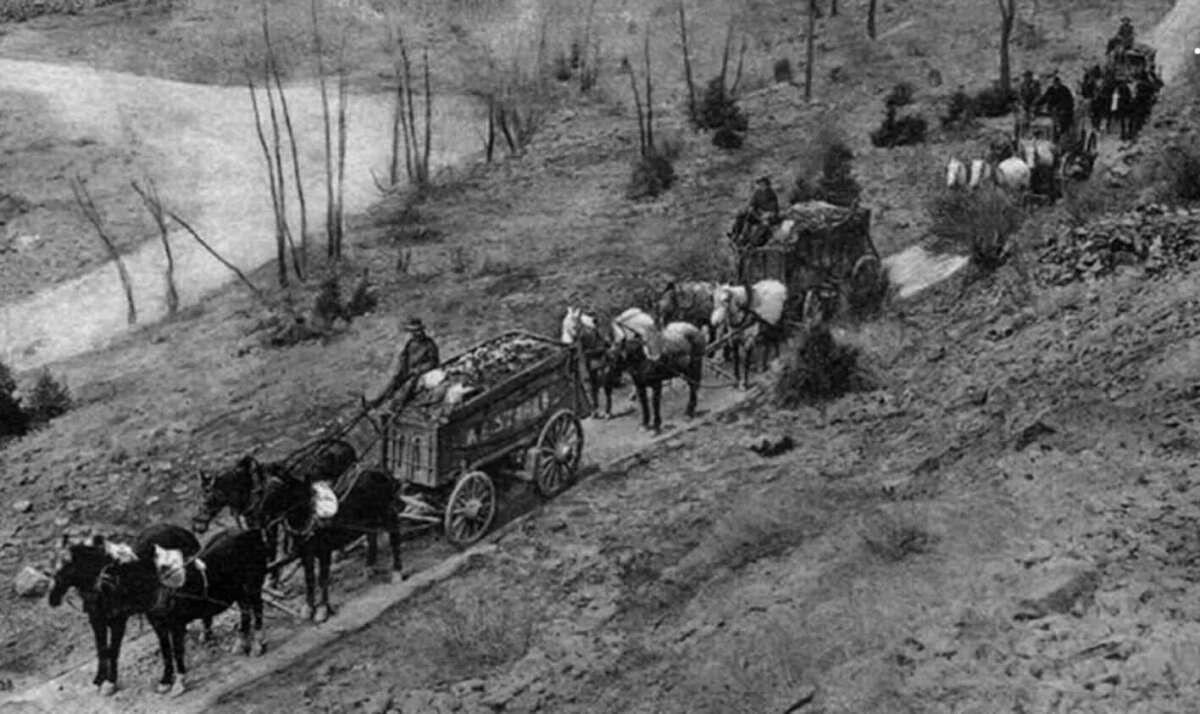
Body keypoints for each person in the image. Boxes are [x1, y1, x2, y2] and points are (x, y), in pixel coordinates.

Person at [367, 317, 440, 412]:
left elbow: (433, 362)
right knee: (393, 381)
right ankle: (377, 402)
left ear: (422, 330)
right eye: (413, 331)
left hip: (420, 373)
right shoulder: (410, 343)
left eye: (418, 331)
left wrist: (419, 369)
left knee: (408, 386)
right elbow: (403, 356)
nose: (416, 333)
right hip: (407, 370)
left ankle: (395, 408)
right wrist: (400, 367)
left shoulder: (429, 344)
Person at [1037, 74, 1075, 142]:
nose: (1056, 84)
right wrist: (1037, 104)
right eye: (1054, 83)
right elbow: (1044, 98)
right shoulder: (1051, 89)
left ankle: (1061, 137)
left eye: (1057, 83)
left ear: (1060, 82)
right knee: (1049, 122)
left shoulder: (1064, 89)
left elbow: (1068, 101)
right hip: (1053, 111)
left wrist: (1060, 107)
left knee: (1061, 124)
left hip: (1063, 111)